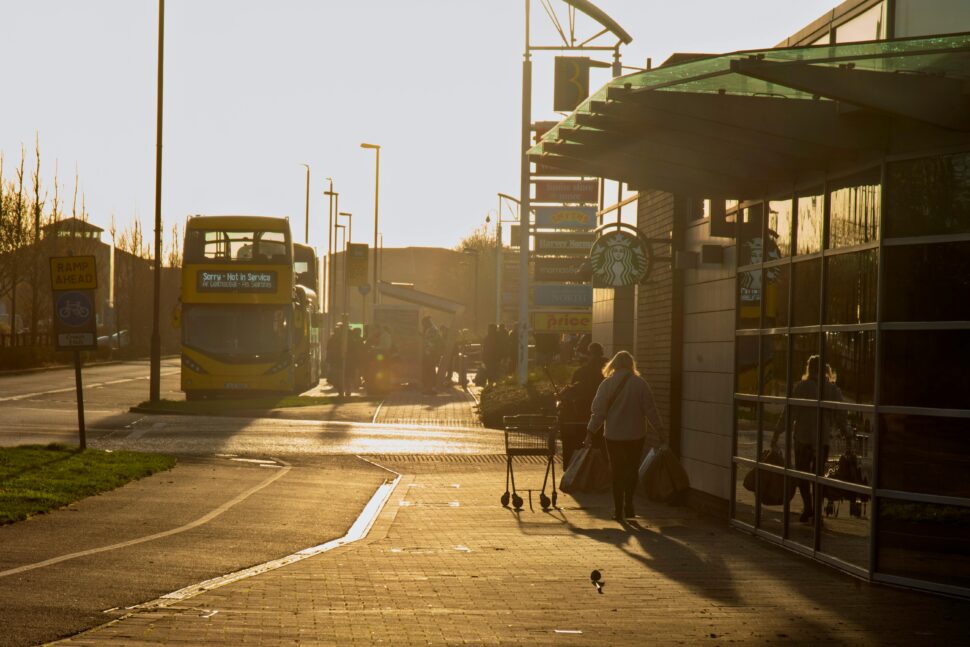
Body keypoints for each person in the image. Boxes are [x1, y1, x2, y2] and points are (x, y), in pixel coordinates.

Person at [771, 355, 852, 523]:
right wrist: (847, 434)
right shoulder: (833, 390)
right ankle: (816, 511)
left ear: (810, 368)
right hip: (822, 441)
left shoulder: (802, 387)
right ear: (826, 370)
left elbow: (790, 413)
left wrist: (777, 432)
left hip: (802, 439)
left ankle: (808, 507)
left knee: (803, 475)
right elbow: (841, 416)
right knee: (818, 477)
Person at [586, 350, 664, 521]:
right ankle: (629, 504)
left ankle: (618, 509)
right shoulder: (640, 384)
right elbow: (650, 410)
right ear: (631, 365)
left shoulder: (606, 385)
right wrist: (660, 430)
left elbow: (598, 412)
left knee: (617, 471)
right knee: (631, 470)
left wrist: (590, 432)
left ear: (613, 364)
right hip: (636, 435)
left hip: (613, 436)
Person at [557, 342, 606, 469]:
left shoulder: (581, 372)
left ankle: (583, 471)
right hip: (605, 416)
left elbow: (573, 392)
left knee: (583, 446)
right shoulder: (608, 373)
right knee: (601, 447)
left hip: (583, 414)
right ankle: (601, 473)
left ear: (588, 354)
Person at [421, 315, 443, 394]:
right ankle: (430, 387)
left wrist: (427, 352)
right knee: (430, 370)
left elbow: (430, 343)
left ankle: (431, 388)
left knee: (429, 370)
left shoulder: (432, 330)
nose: (423, 326)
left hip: (431, 354)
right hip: (432, 353)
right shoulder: (432, 329)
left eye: (423, 324)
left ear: (427, 323)